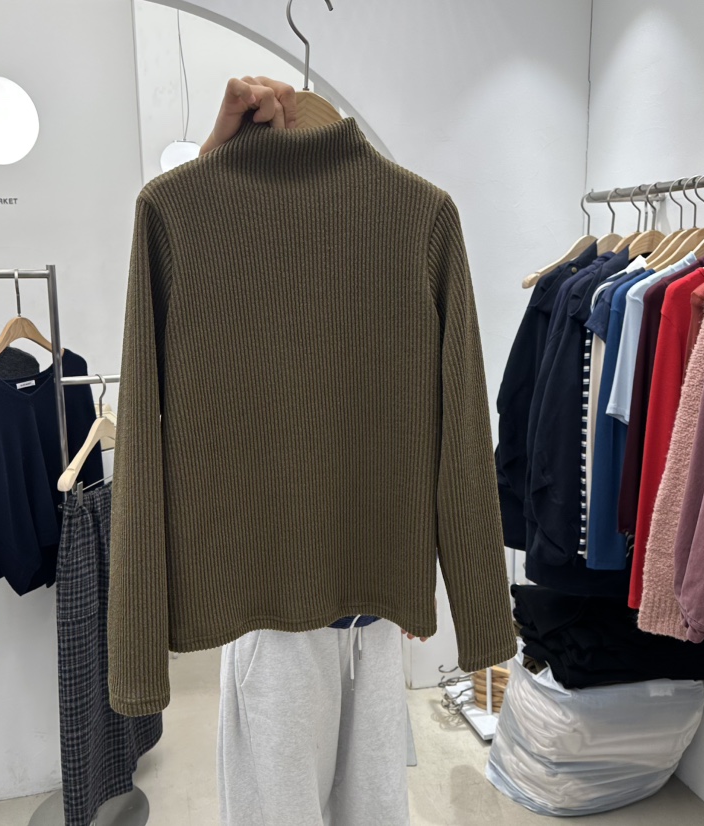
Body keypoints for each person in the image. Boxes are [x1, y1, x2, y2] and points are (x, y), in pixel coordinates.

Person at [201, 76, 427, 826]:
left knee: (378, 812)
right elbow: (183, 319)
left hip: (372, 618)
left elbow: (423, 413)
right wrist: (212, 168)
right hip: (275, 618)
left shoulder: (395, 235)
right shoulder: (230, 254)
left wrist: (413, 568)